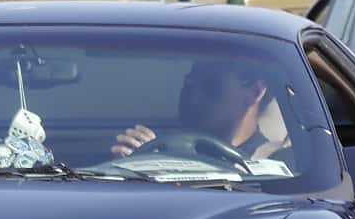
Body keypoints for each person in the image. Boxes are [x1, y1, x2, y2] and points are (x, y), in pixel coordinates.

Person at [111, 60, 290, 161]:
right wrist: (131, 168)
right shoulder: (157, 149)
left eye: (211, 87)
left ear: (255, 92)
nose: (194, 97)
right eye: (188, 85)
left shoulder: (275, 166)